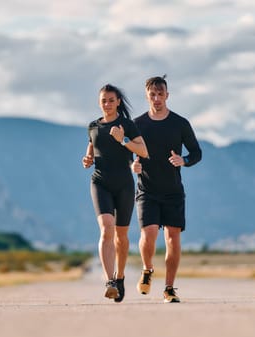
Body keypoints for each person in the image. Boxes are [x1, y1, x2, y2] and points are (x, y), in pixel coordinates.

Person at [132, 75, 202, 303]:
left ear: (167, 96)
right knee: (149, 233)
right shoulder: (138, 124)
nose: (157, 98)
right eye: (152, 94)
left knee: (173, 239)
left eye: (161, 94)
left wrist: (184, 161)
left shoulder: (180, 124)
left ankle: (169, 289)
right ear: (147, 96)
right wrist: (132, 164)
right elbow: (125, 153)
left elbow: (196, 153)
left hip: (172, 191)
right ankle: (147, 269)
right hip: (147, 189)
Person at [82, 84, 148, 302]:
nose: (107, 104)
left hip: (124, 185)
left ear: (118, 101)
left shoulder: (128, 125)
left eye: (111, 100)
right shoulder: (93, 126)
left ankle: (120, 277)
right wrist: (87, 159)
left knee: (121, 236)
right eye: (103, 100)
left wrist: (124, 140)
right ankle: (110, 280)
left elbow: (143, 151)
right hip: (100, 182)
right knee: (106, 228)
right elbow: (91, 149)